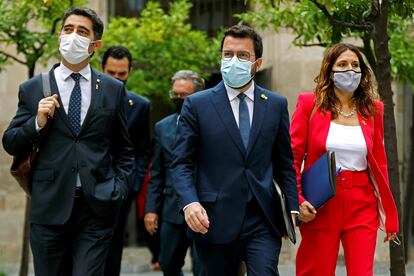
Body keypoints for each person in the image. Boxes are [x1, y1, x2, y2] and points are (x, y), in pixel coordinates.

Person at [2, 7, 135, 276]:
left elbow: (124, 150)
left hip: (96, 208)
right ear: (59, 36)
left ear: (95, 44)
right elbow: (11, 142)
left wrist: (117, 189)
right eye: (68, 29)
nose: (73, 36)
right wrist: (37, 122)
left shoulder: (112, 89)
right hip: (49, 209)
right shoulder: (32, 88)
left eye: (82, 31)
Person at [170, 25, 298, 276]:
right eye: (227, 54)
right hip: (213, 219)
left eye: (242, 56)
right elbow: (181, 163)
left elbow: (284, 163)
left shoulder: (275, 104)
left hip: (262, 216)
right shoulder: (197, 104)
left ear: (257, 63)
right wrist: (190, 203)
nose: (233, 61)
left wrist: (291, 207)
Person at [290, 43, 399, 276]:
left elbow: (379, 164)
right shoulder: (310, 104)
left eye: (355, 65)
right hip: (321, 202)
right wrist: (298, 199)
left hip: (362, 202)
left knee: (362, 272)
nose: (350, 69)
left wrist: (390, 215)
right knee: (315, 271)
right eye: (342, 64)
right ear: (330, 70)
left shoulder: (373, 110)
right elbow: (293, 157)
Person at [144, 70, 206, 276]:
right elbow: (158, 173)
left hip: (204, 210)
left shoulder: (212, 123)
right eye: (175, 95)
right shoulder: (163, 127)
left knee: (203, 268)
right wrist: (151, 209)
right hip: (172, 209)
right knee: (167, 263)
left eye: (184, 96)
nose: (179, 100)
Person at [101, 45, 151, 276]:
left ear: (129, 72)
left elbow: (141, 150)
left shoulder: (140, 106)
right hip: (87, 182)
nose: (117, 79)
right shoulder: (88, 99)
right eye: (111, 73)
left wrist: (133, 184)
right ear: (102, 69)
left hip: (121, 189)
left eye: (122, 74)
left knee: (114, 244)